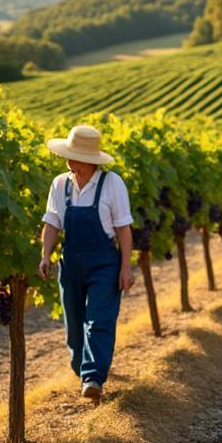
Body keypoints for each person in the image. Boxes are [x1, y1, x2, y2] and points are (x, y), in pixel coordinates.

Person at [38, 124, 134, 403]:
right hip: (71, 262)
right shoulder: (60, 184)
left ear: (91, 160)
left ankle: (93, 378)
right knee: (74, 326)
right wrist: (45, 255)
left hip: (104, 263)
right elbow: (52, 222)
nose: (69, 161)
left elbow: (124, 229)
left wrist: (125, 267)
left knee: (99, 320)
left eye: (75, 156)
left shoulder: (112, 184)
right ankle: (81, 369)